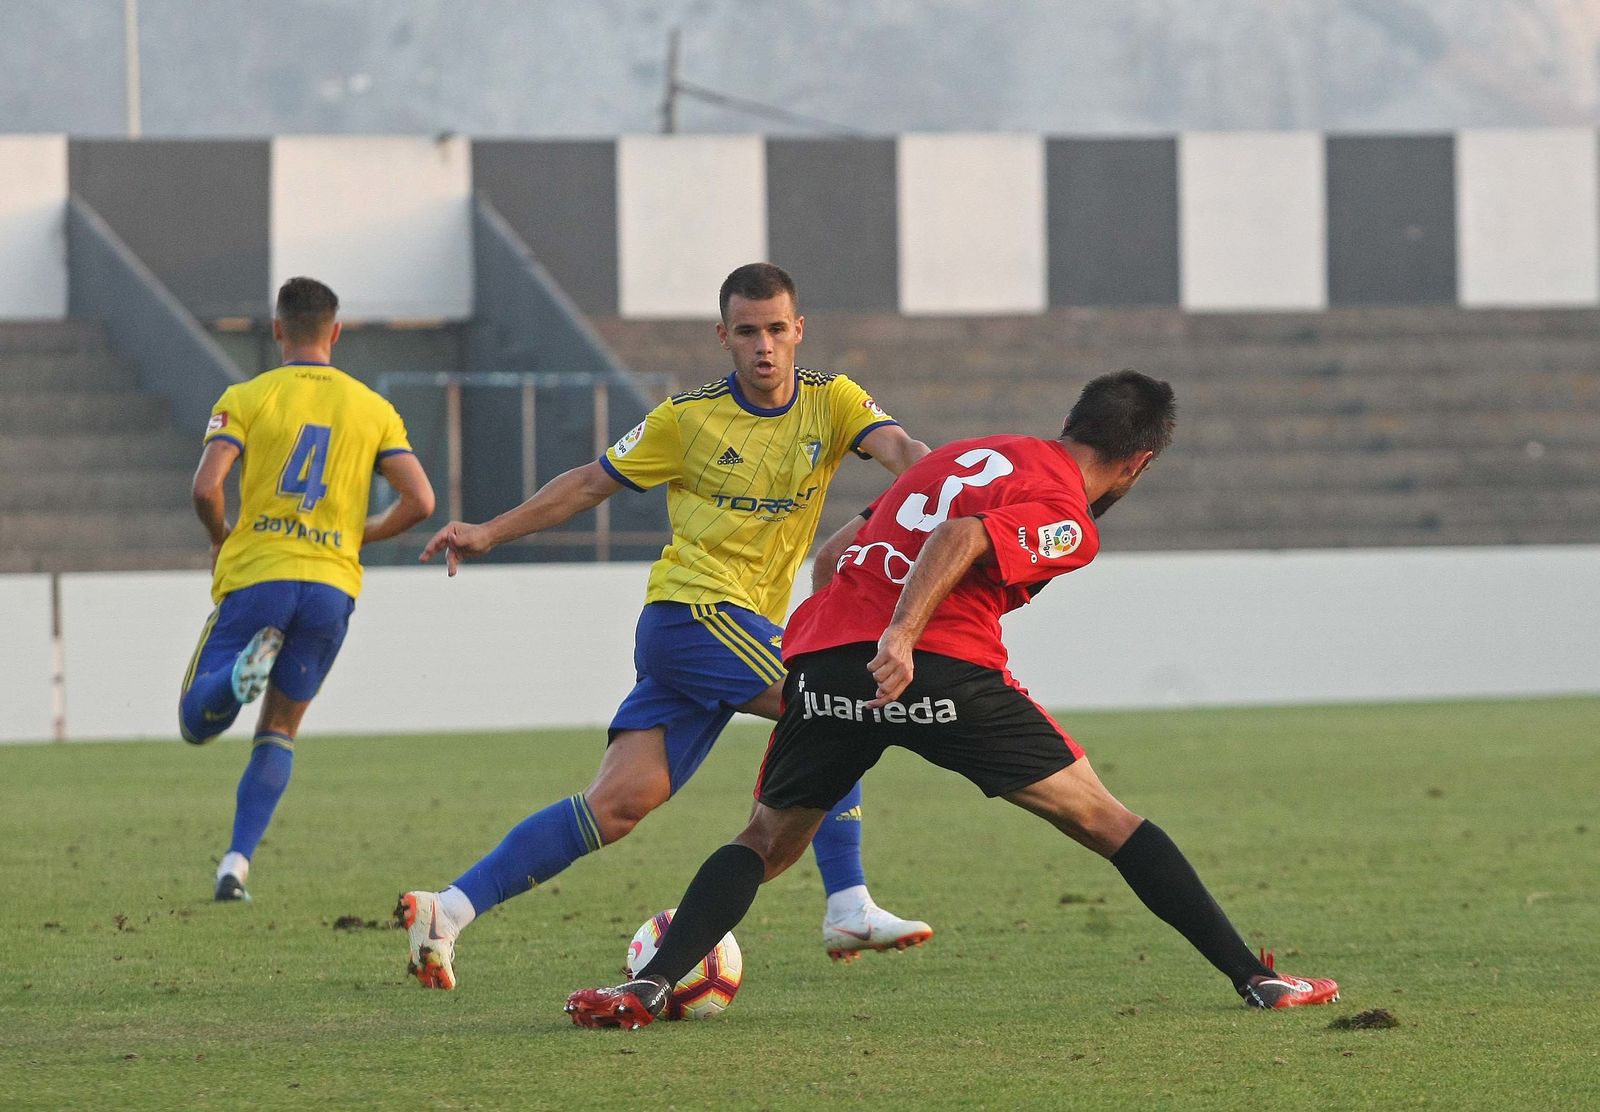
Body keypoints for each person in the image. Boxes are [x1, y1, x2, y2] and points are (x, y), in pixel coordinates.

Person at [565, 370, 1341, 1028]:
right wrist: (901, 635)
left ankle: (647, 985)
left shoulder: (967, 454)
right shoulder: (1071, 519)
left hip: (827, 663)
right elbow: (965, 538)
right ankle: (1259, 979)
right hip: (935, 667)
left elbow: (835, 553)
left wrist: (837, 650)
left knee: (765, 838)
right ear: (1138, 463)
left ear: (1069, 423)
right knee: (1107, 821)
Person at [396, 263, 935, 989]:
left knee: (617, 806)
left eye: (777, 329)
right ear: (724, 337)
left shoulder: (833, 403)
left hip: (726, 631)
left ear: (799, 330)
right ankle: (847, 900)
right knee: (833, 696)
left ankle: (449, 909)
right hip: (692, 615)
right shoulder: (689, 418)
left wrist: (938, 494)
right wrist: (490, 532)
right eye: (748, 332)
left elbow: (906, 454)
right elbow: (590, 481)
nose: (764, 347)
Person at [181, 276, 436, 902]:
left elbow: (205, 488)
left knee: (196, 721)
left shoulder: (247, 395)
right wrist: (357, 537)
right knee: (280, 730)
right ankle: (236, 863)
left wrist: (223, 536)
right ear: (336, 332)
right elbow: (421, 500)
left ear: (276, 331)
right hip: (330, 586)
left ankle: (240, 672)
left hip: (260, 575)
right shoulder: (372, 408)